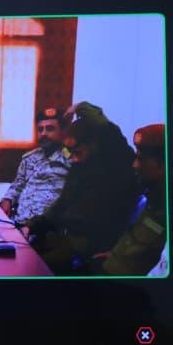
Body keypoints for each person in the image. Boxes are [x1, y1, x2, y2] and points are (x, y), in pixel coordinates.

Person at [26, 102, 140, 275]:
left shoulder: (117, 164)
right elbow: (60, 205)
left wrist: (81, 107)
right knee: (20, 252)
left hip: (90, 244)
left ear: (95, 146)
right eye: (69, 153)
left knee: (33, 268)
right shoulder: (78, 168)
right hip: (65, 236)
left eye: (78, 153)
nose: (73, 159)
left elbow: (106, 128)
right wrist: (31, 226)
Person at [99, 124, 167, 276]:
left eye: (142, 159)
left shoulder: (170, 207)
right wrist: (116, 256)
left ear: (163, 165)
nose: (135, 165)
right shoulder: (152, 197)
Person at [0, 107, 70, 224]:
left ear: (62, 132)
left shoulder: (70, 159)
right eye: (40, 129)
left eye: (50, 129)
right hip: (18, 221)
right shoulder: (30, 158)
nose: (43, 134)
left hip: (46, 226)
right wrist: (8, 200)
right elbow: (18, 185)